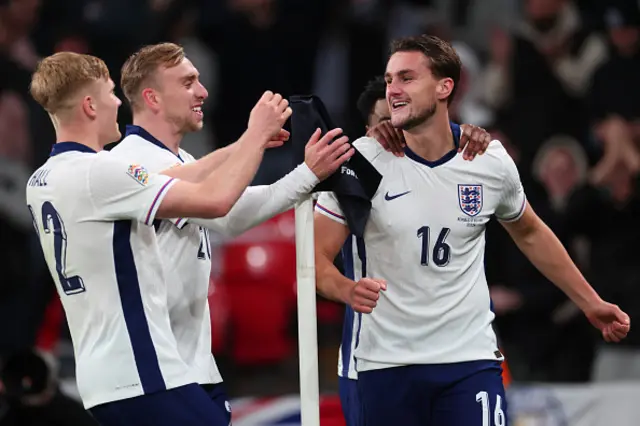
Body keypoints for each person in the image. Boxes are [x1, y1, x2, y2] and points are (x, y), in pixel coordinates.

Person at [313, 35, 630, 426]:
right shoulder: (361, 162)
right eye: (390, 78)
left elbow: (530, 232)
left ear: (446, 86)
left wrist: (589, 301)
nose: (393, 89)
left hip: (468, 360)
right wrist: (347, 289)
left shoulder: (488, 160)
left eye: (407, 78)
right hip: (385, 362)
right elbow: (313, 256)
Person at [24, 51, 310, 426]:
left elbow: (174, 177)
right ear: (90, 105)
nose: (117, 103)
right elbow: (216, 201)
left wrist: (242, 147)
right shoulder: (102, 172)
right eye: (110, 94)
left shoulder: (42, 180)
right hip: (142, 367)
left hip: (104, 372)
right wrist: (255, 134)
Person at [109, 42, 355, 421]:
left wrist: (305, 174)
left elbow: (229, 217)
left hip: (190, 363)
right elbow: (218, 203)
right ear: (152, 97)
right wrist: (254, 140)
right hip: (154, 367)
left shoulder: (180, 160)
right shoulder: (130, 164)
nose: (203, 92)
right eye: (188, 82)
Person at [338, 73, 493, 426]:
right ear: (367, 131)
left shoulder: (455, 167)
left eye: (400, 120)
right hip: (375, 359)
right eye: (383, 124)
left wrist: (465, 136)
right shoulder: (357, 174)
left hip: (457, 355)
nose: (393, 130)